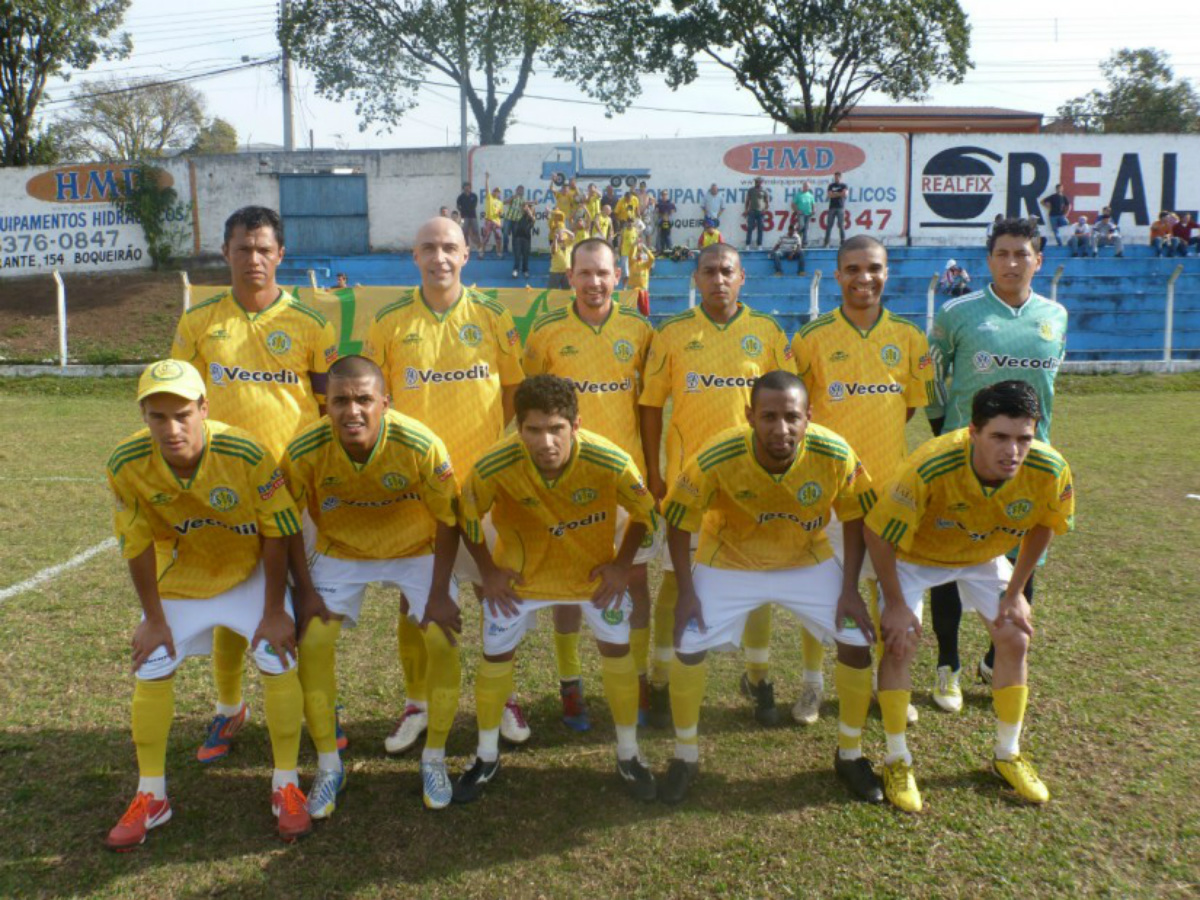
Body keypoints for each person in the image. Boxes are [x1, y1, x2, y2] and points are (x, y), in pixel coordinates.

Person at [105, 359, 310, 850]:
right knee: (151, 663)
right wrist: (154, 620)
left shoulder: (245, 452)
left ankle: (286, 782)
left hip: (249, 571)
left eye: (182, 415)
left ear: (203, 408)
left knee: (277, 655)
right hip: (185, 576)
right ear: (144, 416)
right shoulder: (125, 463)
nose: (171, 428)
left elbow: (278, 531)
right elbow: (134, 544)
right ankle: (151, 795)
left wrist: (275, 609)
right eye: (157, 416)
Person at [659, 370, 882, 805]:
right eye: (769, 417)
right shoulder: (717, 455)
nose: (781, 429)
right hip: (730, 560)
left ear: (808, 416)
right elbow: (679, 518)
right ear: (749, 416)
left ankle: (850, 754)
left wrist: (850, 589)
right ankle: (685, 756)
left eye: (792, 417)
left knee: (855, 640)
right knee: (688, 643)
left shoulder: (835, 452)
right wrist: (687, 591)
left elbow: (855, 518)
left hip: (805, 559)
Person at [171, 205, 337, 764]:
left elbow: (328, 406)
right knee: (230, 597)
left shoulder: (311, 325)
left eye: (264, 249)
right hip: (223, 491)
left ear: (281, 255)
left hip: (296, 489)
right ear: (226, 253)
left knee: (308, 603)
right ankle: (229, 705)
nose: (254, 259)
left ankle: (321, 709)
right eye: (243, 248)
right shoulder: (199, 322)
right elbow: (180, 404)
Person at [864, 380, 1075, 812]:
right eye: (999, 436)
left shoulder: (1050, 469)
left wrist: (1016, 592)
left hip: (981, 556)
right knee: (900, 644)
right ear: (973, 431)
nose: (1012, 451)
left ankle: (1007, 754)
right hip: (913, 556)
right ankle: (896, 759)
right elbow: (877, 532)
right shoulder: (929, 466)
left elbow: (1045, 523)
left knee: (1015, 636)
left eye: (1023, 438)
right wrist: (898, 604)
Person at [364, 216, 528, 755]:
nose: (439, 257)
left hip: (482, 486)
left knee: (494, 587)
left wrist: (490, 454)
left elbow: (512, 394)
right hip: (415, 492)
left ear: (467, 255)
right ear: (414, 256)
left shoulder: (493, 315)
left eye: (449, 247)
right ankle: (417, 701)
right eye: (429, 247)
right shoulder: (388, 323)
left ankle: (500, 694)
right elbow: (374, 402)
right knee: (415, 602)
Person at [453, 374, 659, 803]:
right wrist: (489, 571)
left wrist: (622, 566)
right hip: (521, 582)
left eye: (556, 429)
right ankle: (486, 756)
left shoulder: (611, 460)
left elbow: (644, 511)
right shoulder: (494, 465)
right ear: (518, 428)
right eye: (533, 430)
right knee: (494, 658)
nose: (545, 441)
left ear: (575, 424)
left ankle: (629, 754)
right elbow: (466, 514)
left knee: (617, 655)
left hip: (592, 580)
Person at [284, 356, 462, 814]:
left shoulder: (420, 444)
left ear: (386, 401)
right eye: (340, 401)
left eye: (364, 399)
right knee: (313, 642)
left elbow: (448, 518)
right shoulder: (304, 449)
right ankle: (328, 765)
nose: (353, 411)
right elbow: (285, 521)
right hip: (342, 549)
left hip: (415, 548)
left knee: (442, 641)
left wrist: (440, 593)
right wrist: (303, 591)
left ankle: (435, 758)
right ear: (326, 407)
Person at [639, 243, 793, 728]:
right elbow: (650, 406)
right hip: (689, 483)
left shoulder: (766, 332)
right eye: (709, 271)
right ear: (696, 279)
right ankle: (660, 680)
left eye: (727, 271)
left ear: (742, 277)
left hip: (754, 482)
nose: (718, 279)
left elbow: (789, 408)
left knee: (759, 580)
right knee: (672, 583)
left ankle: (758, 675)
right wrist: (656, 473)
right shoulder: (673, 334)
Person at [790, 235, 935, 727]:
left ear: (886, 272)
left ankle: (885, 684)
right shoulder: (811, 339)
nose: (863, 278)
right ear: (837, 276)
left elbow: (910, 406)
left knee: (890, 589)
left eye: (872, 267)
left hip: (892, 491)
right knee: (826, 589)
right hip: (828, 490)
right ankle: (811, 684)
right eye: (852, 269)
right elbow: (799, 412)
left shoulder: (911, 338)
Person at [926, 216, 1068, 707]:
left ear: (1038, 261)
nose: (1012, 263)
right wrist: (947, 432)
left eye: (1022, 254)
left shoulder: (1056, 316)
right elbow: (931, 377)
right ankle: (948, 663)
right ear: (989, 259)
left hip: (1029, 463)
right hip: (961, 462)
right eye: (1003, 254)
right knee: (948, 559)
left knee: (1025, 559)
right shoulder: (957, 312)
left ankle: (992, 657)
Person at [523, 239, 656, 729]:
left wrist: (650, 474)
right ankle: (570, 681)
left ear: (618, 276)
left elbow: (649, 409)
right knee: (567, 586)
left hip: (626, 482)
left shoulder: (641, 332)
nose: (594, 283)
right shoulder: (547, 333)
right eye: (584, 273)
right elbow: (530, 407)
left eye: (603, 273)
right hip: (564, 482)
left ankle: (638, 678)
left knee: (636, 581)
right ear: (570, 277)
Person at [627, 242, 656, 316]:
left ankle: (645, 325)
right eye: (637, 253)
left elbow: (652, 258)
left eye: (641, 253)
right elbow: (630, 254)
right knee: (630, 312)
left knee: (645, 312)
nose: (639, 254)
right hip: (633, 290)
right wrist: (635, 245)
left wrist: (645, 248)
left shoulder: (646, 264)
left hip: (643, 291)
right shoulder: (632, 262)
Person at [743, 176, 770, 250]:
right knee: (749, 228)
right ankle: (747, 245)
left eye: (759, 181)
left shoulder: (764, 191)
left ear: (761, 182)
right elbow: (747, 201)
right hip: (751, 211)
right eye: (756, 181)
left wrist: (765, 210)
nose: (757, 182)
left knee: (760, 228)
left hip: (760, 213)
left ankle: (759, 245)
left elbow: (767, 203)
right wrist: (746, 210)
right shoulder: (751, 190)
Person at [511, 201, 535, 280]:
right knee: (517, 256)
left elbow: (533, 219)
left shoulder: (531, 217)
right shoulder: (518, 214)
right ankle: (516, 270)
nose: (526, 208)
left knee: (525, 256)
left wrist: (529, 211)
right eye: (525, 207)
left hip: (526, 238)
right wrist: (524, 207)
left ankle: (525, 270)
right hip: (517, 237)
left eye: (528, 208)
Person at [481, 174, 504, 258]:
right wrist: (486, 179)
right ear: (493, 192)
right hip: (488, 221)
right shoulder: (489, 198)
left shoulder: (500, 203)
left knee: (499, 238)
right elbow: (487, 189)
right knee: (485, 238)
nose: (497, 192)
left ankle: (499, 253)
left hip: (497, 222)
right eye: (495, 191)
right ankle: (481, 253)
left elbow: (500, 213)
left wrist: (500, 214)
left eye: (498, 191)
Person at [823, 172, 849, 247]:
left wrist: (835, 194)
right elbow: (829, 195)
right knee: (829, 225)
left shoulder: (844, 186)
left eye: (837, 177)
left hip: (840, 207)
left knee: (841, 225)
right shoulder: (831, 185)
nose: (836, 179)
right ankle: (826, 243)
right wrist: (839, 193)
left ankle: (843, 242)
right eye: (835, 177)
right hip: (832, 208)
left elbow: (845, 194)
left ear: (840, 177)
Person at [501, 185, 526, 257]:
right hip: (508, 218)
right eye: (520, 190)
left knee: (515, 235)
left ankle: (514, 250)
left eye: (522, 190)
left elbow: (524, 209)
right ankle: (505, 248)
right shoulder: (512, 197)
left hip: (516, 220)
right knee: (505, 233)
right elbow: (504, 202)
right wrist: (512, 198)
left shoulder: (523, 200)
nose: (521, 191)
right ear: (516, 190)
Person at [457, 182, 480, 251]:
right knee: (464, 232)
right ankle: (466, 248)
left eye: (468, 187)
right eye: (465, 186)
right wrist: (462, 211)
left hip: (473, 216)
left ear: (470, 188)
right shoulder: (460, 197)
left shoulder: (474, 196)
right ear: (463, 188)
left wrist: (467, 209)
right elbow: (458, 206)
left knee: (476, 231)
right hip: (463, 217)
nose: (467, 188)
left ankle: (480, 248)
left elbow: (474, 205)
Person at [792, 180, 815, 246]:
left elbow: (813, 204)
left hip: (808, 213)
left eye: (807, 186)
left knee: (806, 228)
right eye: (804, 186)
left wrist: (813, 210)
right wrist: (797, 210)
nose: (805, 187)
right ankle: (797, 238)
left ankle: (804, 243)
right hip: (801, 214)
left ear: (809, 187)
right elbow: (793, 204)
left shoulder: (810, 195)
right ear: (803, 187)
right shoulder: (798, 194)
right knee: (801, 226)